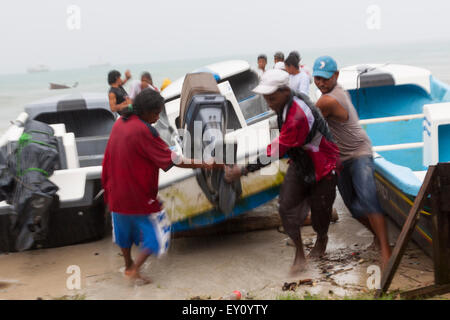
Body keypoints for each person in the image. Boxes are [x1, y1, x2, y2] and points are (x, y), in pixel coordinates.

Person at [102, 88, 223, 284]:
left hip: (115, 194)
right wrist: (206, 163)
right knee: (158, 233)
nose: (157, 118)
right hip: (138, 196)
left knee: (123, 234)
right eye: (156, 113)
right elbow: (175, 159)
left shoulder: (119, 124)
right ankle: (134, 270)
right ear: (147, 111)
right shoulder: (144, 131)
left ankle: (127, 266)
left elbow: (107, 158)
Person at [225, 69, 339, 275]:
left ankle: (322, 238)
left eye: (272, 98)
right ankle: (299, 253)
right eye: (266, 99)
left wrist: (242, 169)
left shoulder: (297, 115)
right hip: (301, 161)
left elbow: (274, 151)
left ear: (285, 91)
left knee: (320, 214)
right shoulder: (286, 104)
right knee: (285, 206)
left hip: (323, 165)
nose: (269, 103)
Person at [312, 56, 392, 268]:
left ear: (336, 76)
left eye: (325, 79)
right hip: (340, 159)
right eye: (317, 78)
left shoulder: (327, 100)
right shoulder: (330, 94)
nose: (321, 83)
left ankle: (387, 252)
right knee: (354, 208)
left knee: (367, 199)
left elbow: (309, 130)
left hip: (359, 153)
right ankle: (378, 237)